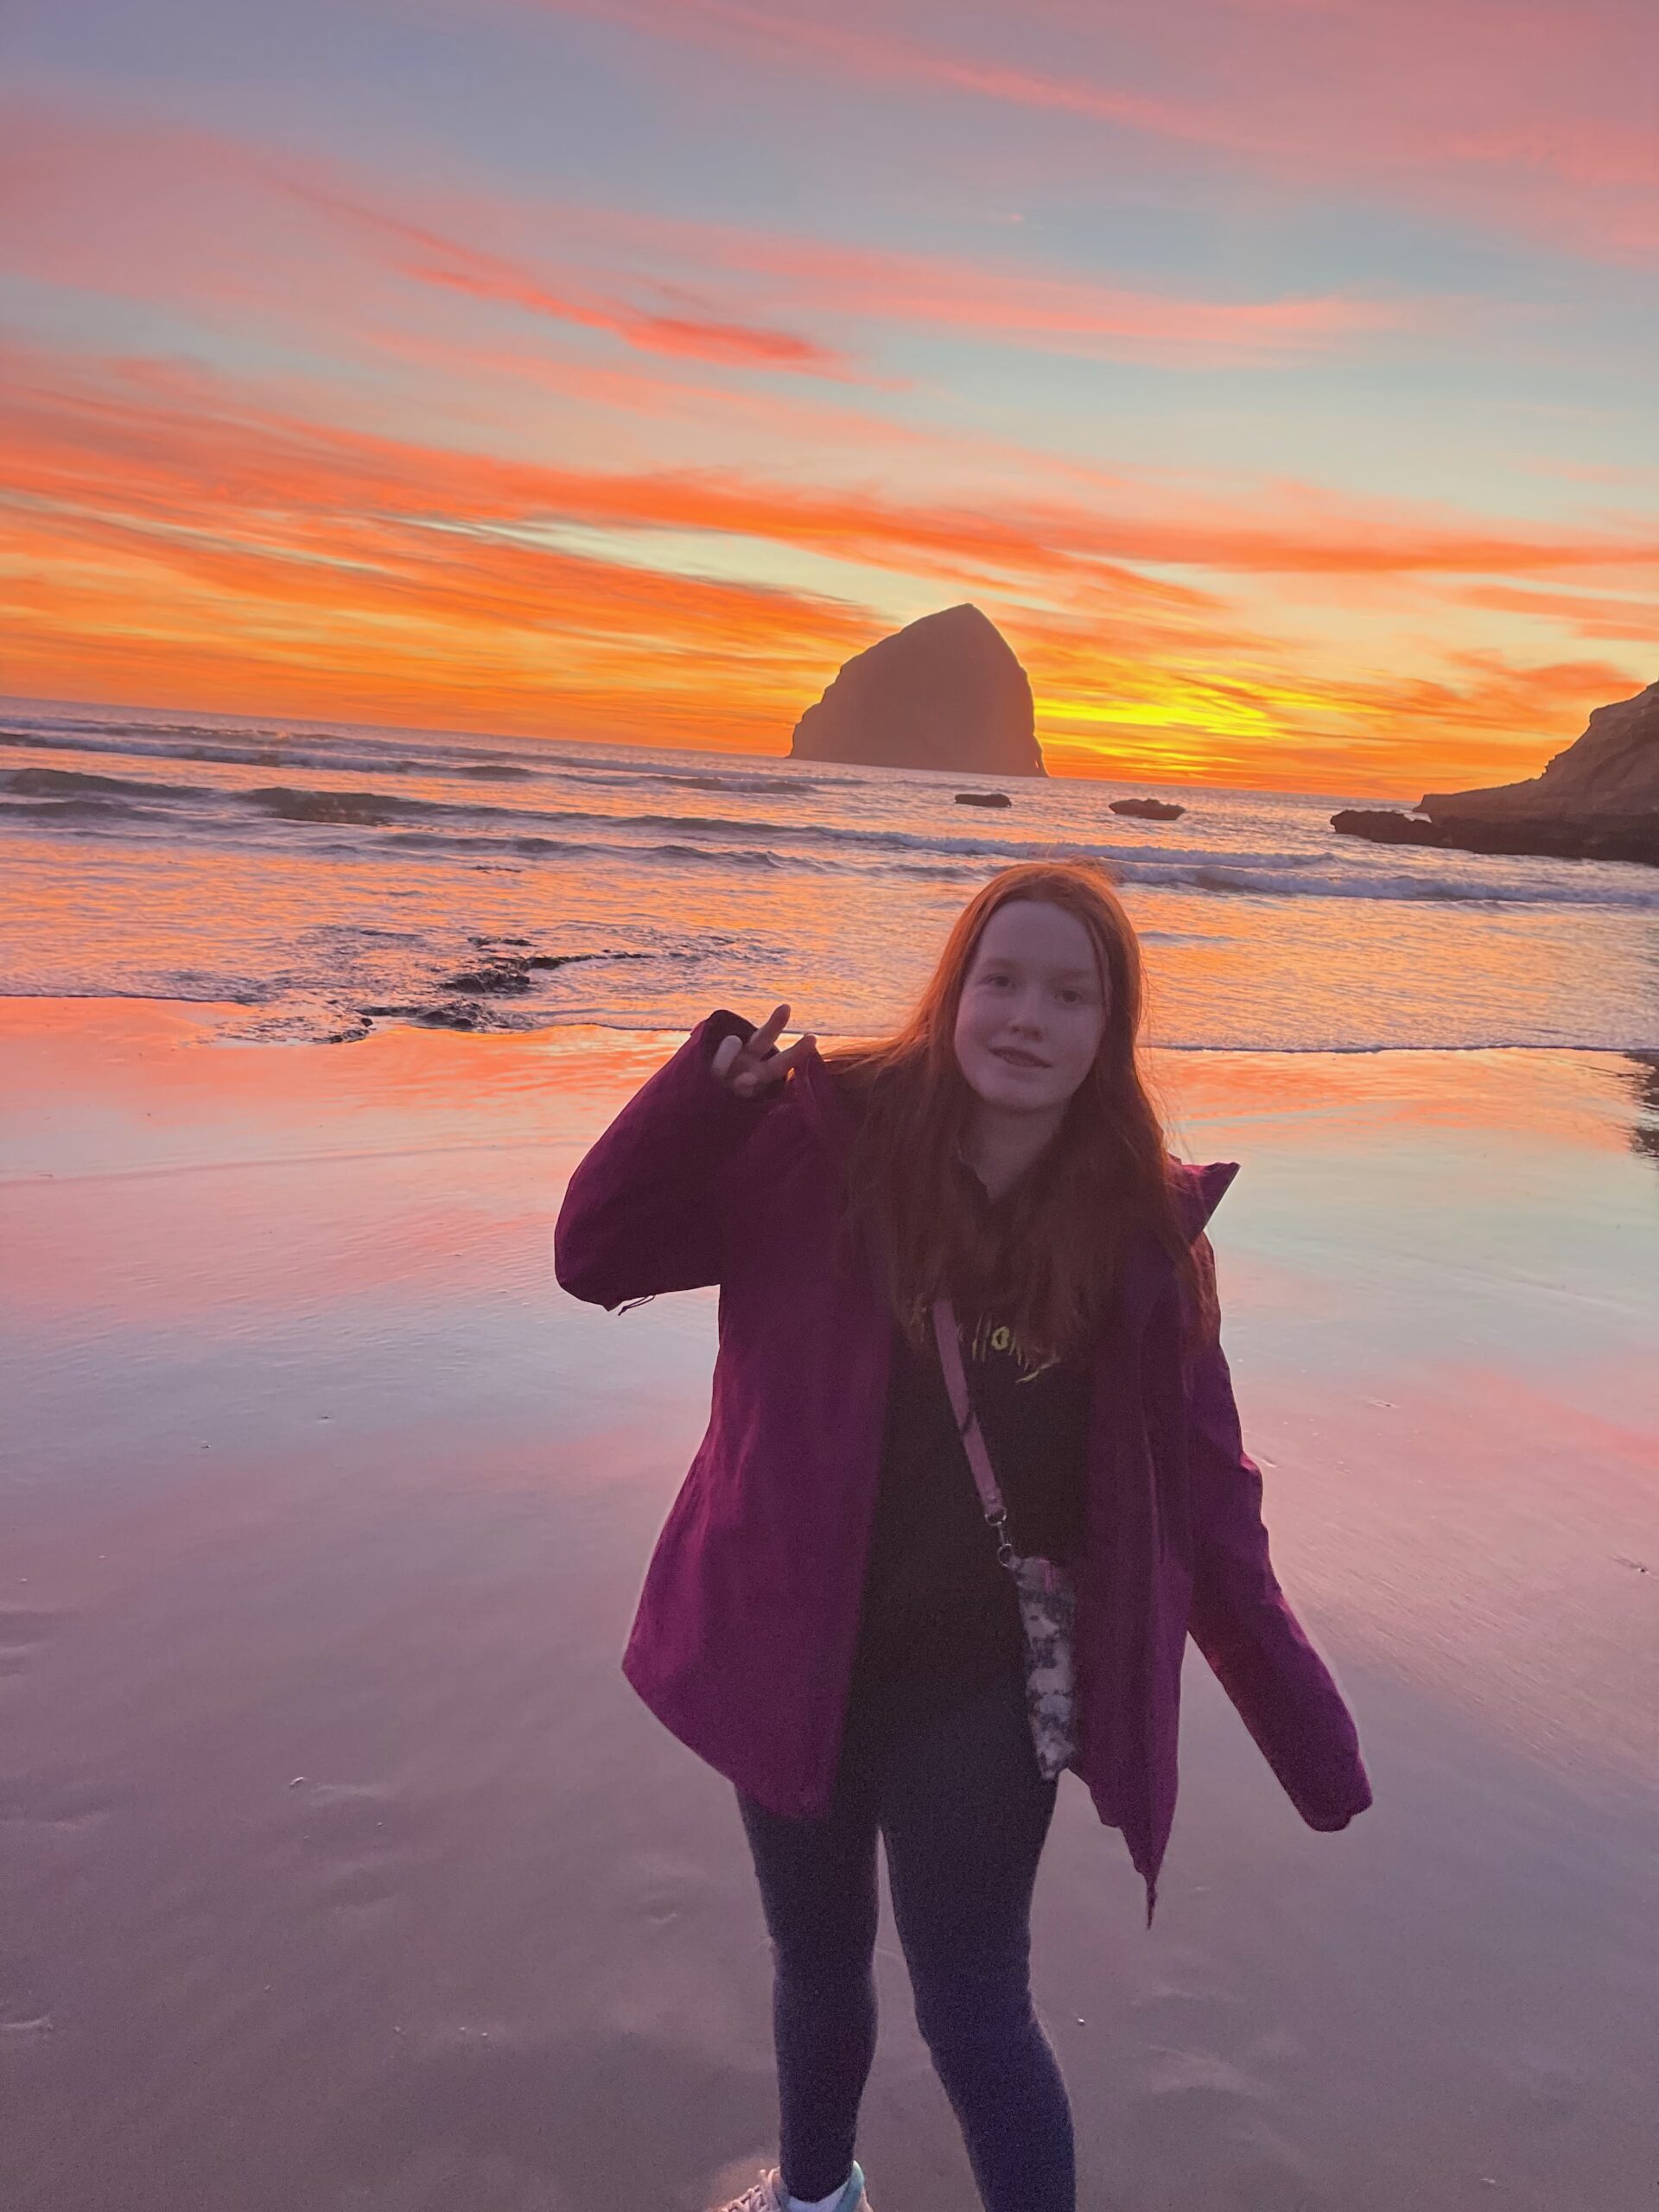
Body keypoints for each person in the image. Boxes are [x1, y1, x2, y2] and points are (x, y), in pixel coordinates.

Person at [555, 861, 1370, 2212]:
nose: (1026, 1016)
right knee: (814, 1967)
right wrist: (695, 1101)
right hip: (786, 1649)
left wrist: (1313, 1746)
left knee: (975, 2005)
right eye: (1000, 980)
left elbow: (1212, 1513)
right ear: (953, 993)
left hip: (983, 1694)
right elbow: (599, 1256)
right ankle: (817, 2197)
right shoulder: (812, 1160)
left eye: (1069, 993)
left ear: (1108, 1033)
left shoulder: (1139, 1249)